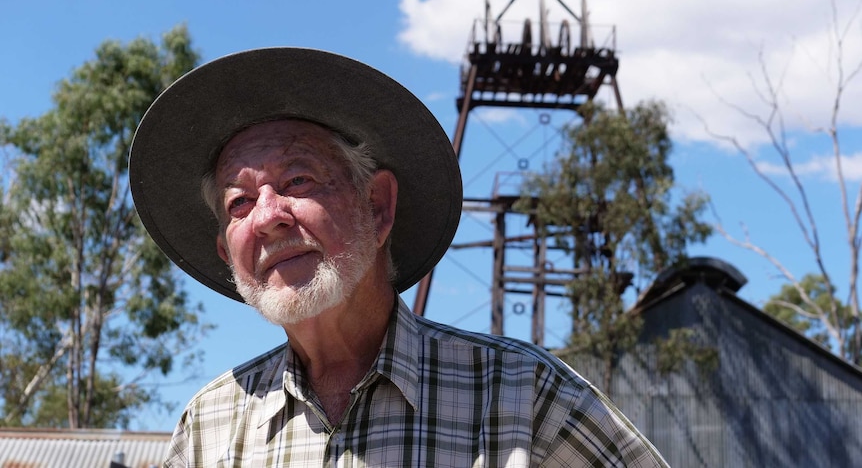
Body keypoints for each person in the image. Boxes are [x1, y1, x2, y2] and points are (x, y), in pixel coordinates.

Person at [129, 48, 668, 467]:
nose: (268, 216)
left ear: (378, 208)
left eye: (298, 179)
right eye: (239, 202)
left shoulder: (522, 397)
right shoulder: (211, 422)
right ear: (229, 253)